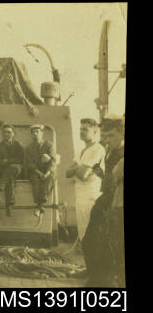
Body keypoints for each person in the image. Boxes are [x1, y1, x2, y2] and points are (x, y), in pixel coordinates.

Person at [82, 115, 125, 287]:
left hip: (115, 201)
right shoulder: (110, 151)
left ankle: (102, 280)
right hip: (107, 196)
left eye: (112, 136)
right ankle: (95, 275)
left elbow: (115, 179)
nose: (107, 140)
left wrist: (104, 177)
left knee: (103, 241)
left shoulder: (122, 153)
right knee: (91, 239)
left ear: (122, 134)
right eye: (105, 136)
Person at [66, 118, 105, 241]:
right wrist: (81, 167)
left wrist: (77, 167)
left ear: (94, 132)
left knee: (91, 232)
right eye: (80, 129)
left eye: (85, 129)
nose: (81, 132)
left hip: (91, 195)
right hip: (80, 195)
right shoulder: (81, 151)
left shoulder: (97, 149)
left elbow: (82, 175)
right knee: (83, 231)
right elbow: (67, 172)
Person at [25, 124, 58, 217]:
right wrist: (39, 173)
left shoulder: (49, 145)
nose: (35, 134)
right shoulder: (29, 148)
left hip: (47, 171)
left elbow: (53, 160)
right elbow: (29, 163)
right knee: (35, 180)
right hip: (35, 171)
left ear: (42, 133)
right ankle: (40, 205)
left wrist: (47, 173)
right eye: (33, 132)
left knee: (51, 178)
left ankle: (40, 205)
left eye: (37, 132)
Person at [0, 124, 25, 217]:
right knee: (10, 176)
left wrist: (7, 160)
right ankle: (9, 206)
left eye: (9, 132)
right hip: (3, 171)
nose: (6, 134)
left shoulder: (18, 145)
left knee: (12, 169)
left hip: (16, 170)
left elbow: (21, 159)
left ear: (13, 134)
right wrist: (12, 161)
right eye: (4, 132)